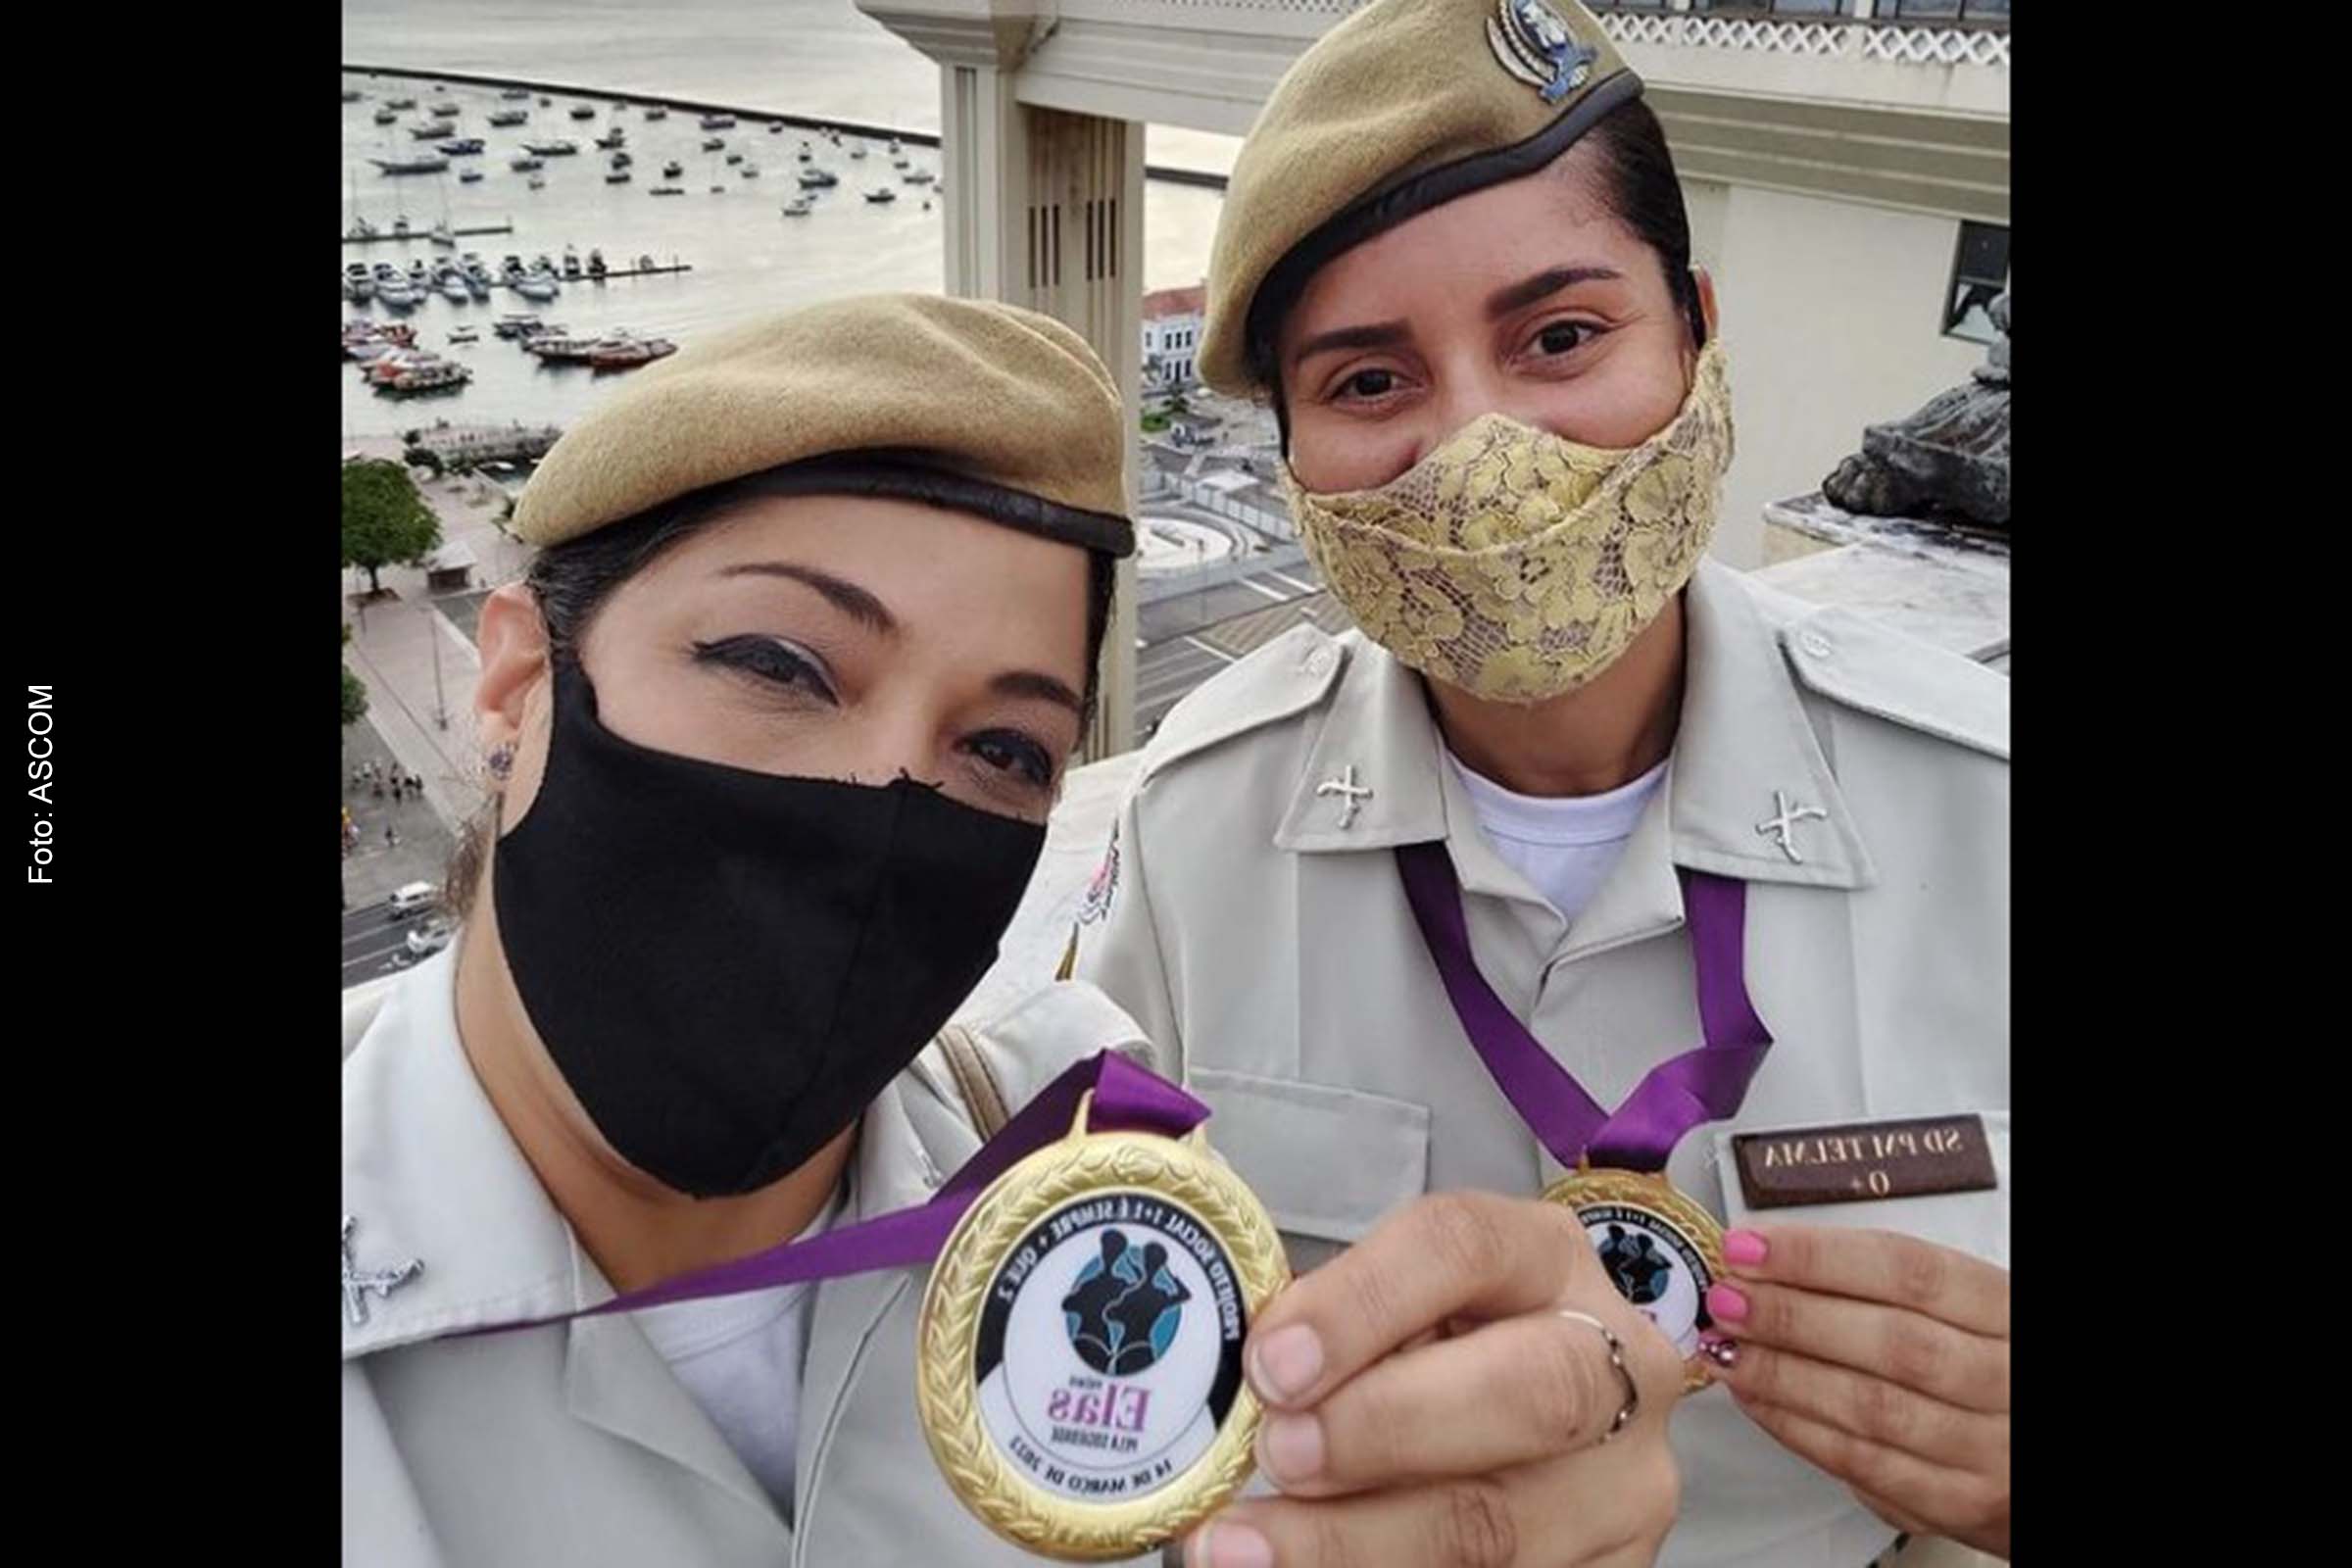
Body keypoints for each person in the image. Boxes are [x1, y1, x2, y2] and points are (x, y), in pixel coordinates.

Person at [343, 294, 1679, 1567]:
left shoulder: (1114, 1178)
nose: (883, 801)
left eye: (1001, 748)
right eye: (778, 666)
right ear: (517, 679)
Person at [1077, 4, 2009, 1566]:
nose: (1482, 453)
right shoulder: (1197, 836)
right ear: (1291, 449)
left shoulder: (1980, 814)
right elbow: (1092, 1387)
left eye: (1560, 338)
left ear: (1695, 327)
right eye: (1371, 382)